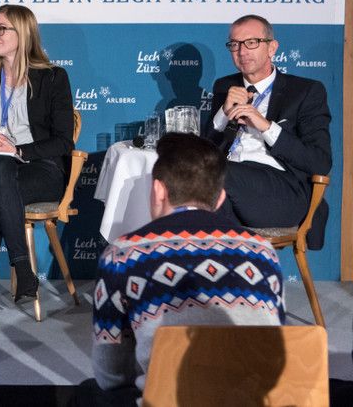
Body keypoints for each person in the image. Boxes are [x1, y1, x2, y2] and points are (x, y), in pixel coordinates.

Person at [80, 133, 284, 405]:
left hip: (169, 400)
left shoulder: (122, 255)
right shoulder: (263, 251)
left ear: (158, 190)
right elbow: (275, 345)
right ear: (220, 198)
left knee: (87, 393)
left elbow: (112, 375)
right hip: (253, 400)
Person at [0, 4, 74, 339]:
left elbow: (64, 141)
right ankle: (23, 267)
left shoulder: (53, 77)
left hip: (41, 169)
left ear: (23, 34)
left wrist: (18, 150)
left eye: (1, 28)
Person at [203, 14, 331, 241]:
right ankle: (232, 259)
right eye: (235, 45)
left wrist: (265, 126)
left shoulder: (305, 91)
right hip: (228, 183)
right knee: (197, 177)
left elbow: (320, 161)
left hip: (283, 190)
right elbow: (206, 151)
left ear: (272, 48)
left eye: (251, 43)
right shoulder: (225, 86)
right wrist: (223, 112)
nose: (242, 52)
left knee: (214, 175)